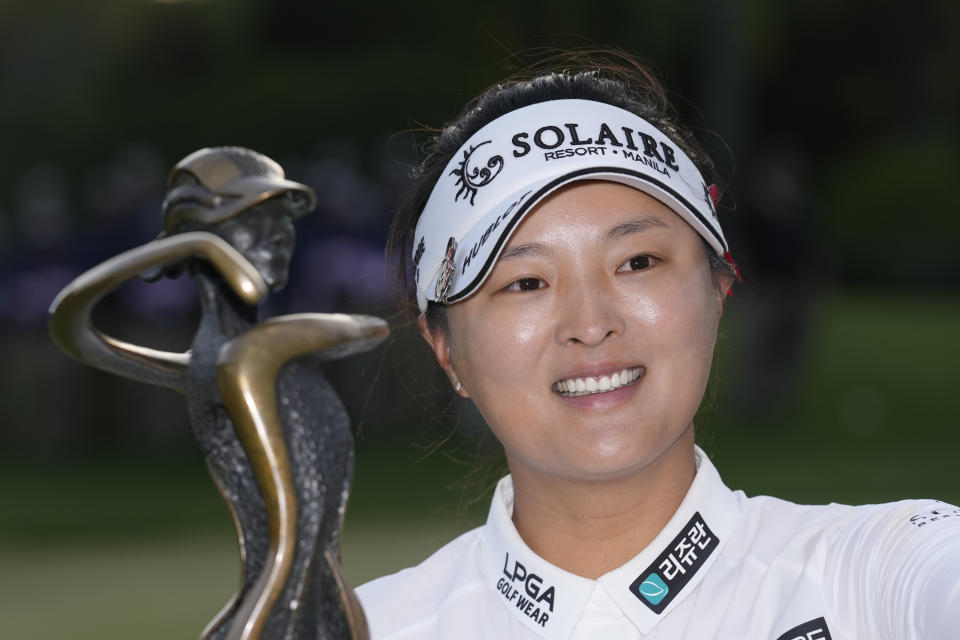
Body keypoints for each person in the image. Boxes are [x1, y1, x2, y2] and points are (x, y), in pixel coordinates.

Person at [355, 54, 960, 639]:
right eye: (526, 282)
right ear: (445, 348)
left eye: (637, 262)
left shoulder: (876, 575)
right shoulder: (362, 627)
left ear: (718, 289)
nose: (590, 325)